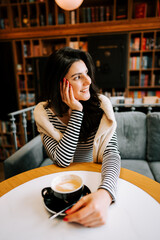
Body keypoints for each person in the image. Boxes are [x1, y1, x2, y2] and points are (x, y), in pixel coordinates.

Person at [34, 47, 121, 227]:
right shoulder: (43, 114)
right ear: (59, 84)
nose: (88, 81)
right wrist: (77, 112)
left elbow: (111, 154)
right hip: (66, 186)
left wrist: (105, 194)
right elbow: (63, 160)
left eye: (86, 73)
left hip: (96, 180)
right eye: (77, 77)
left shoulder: (101, 105)